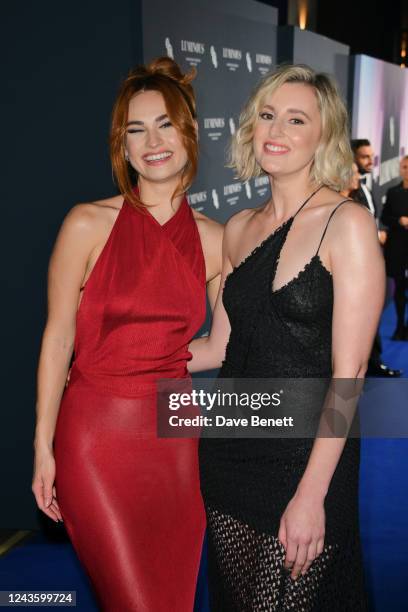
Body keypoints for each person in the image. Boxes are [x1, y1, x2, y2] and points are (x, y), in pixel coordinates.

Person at [189, 64, 385, 610]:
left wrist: (312, 494)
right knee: (242, 600)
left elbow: (351, 375)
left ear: (323, 135)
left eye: (295, 120)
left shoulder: (345, 224)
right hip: (231, 450)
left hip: (308, 458)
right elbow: (216, 349)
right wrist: (111, 360)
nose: (276, 131)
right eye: (268, 116)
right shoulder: (238, 227)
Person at [32, 57, 223, 611]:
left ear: (189, 131)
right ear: (122, 145)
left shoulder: (215, 239)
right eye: (135, 130)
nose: (152, 141)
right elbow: (57, 339)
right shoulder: (86, 222)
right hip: (96, 440)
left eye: (165, 124)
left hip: (177, 436)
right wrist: (43, 448)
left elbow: (223, 347)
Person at [351, 138, 402, 376]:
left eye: (372, 156)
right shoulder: (347, 195)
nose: (371, 161)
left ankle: (372, 361)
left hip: (370, 261)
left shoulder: (366, 189)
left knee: (372, 316)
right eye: (364, 157)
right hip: (354, 267)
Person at [381, 155, 408, 340]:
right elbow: (384, 218)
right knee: (399, 289)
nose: (405, 170)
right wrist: (399, 220)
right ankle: (400, 327)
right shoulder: (393, 192)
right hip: (398, 249)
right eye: (404, 166)